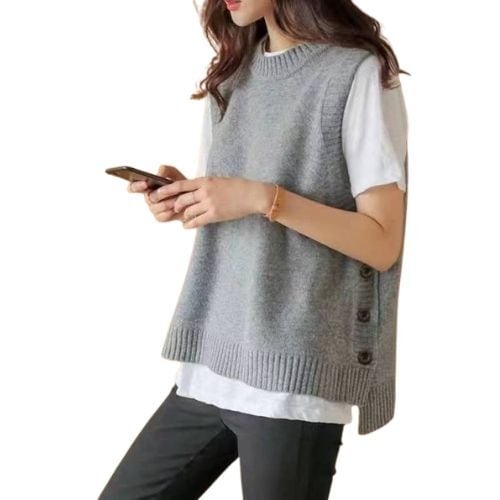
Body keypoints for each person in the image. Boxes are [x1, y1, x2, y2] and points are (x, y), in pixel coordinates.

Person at [98, 1, 409, 499]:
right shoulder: (231, 75)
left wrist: (261, 198)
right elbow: (237, 213)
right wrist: (190, 198)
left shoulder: (355, 73)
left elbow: (382, 241)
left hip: (293, 375)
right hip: (213, 358)